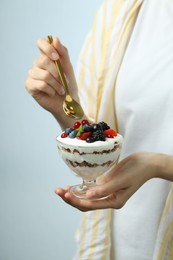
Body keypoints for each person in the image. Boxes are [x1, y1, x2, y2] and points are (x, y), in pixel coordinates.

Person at [25, 0, 173, 259]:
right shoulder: (119, 10)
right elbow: (102, 140)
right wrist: (65, 108)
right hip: (119, 244)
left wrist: (159, 166)